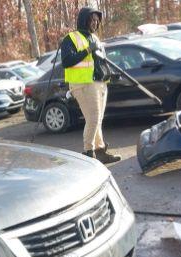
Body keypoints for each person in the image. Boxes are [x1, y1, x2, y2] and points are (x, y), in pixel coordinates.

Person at [60, 6, 121, 164]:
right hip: (83, 84)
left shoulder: (95, 38)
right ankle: (88, 152)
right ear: (84, 20)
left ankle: (100, 151)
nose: (95, 23)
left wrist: (110, 74)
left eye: (96, 20)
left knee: (98, 119)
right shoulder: (71, 38)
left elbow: (99, 62)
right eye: (92, 20)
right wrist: (87, 49)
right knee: (93, 119)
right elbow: (66, 62)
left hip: (100, 83)